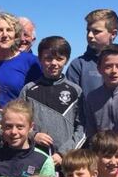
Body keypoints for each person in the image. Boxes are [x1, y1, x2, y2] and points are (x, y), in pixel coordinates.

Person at [20, 36, 85, 166]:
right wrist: (33, 135)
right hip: (35, 160)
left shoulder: (75, 91)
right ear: (40, 59)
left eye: (59, 59)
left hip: (66, 162)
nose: (54, 63)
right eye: (48, 58)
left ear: (66, 60)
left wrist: (63, 153)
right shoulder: (29, 90)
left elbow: (82, 129)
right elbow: (18, 122)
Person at [65, 9, 118, 94]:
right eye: (88, 30)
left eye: (96, 31)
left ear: (113, 34)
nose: (90, 35)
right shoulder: (78, 65)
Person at [0, 11, 42, 107]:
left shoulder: (31, 61)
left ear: (15, 34)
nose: (5, 35)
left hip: (19, 120)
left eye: (9, 30)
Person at [83, 44, 118, 140]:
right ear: (99, 69)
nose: (114, 71)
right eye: (108, 66)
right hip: (101, 151)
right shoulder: (92, 97)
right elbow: (90, 131)